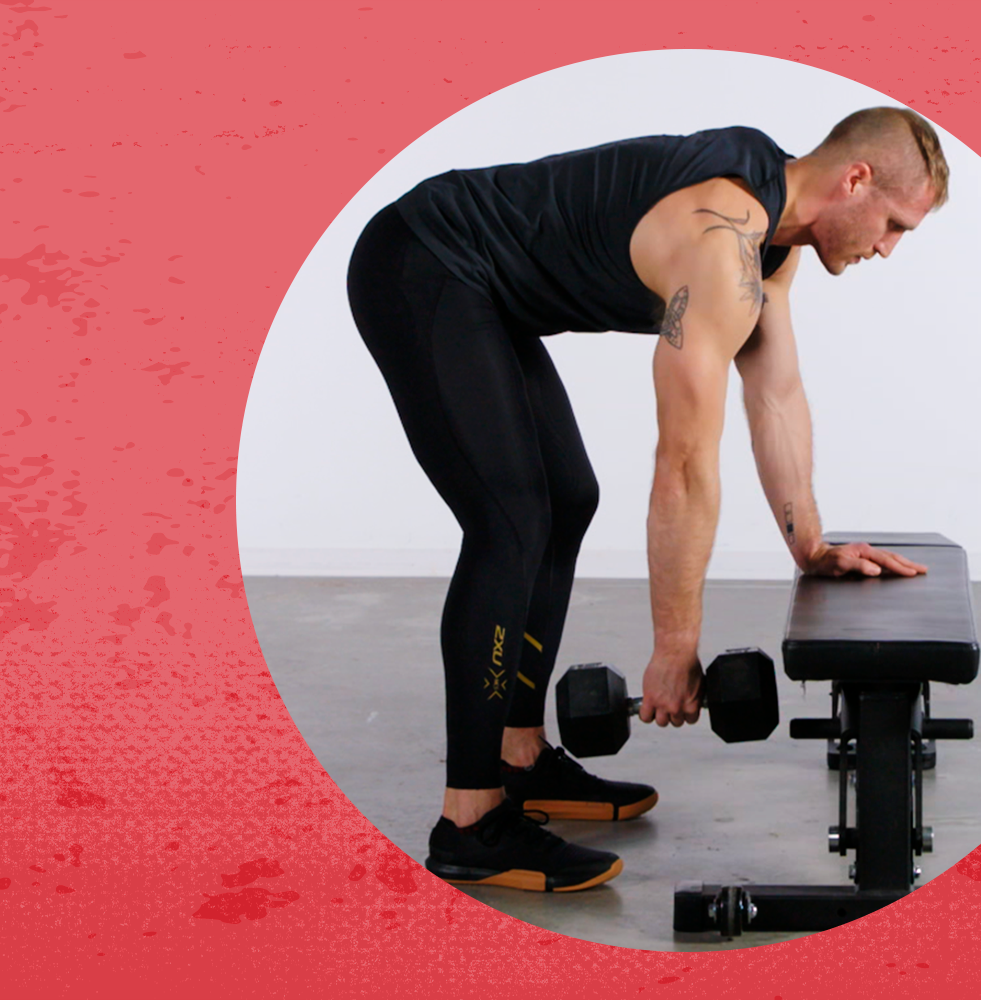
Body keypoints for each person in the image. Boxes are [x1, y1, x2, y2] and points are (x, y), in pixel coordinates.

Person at [345, 107, 947, 893]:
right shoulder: (719, 243)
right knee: (509, 522)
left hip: (485, 287)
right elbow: (685, 463)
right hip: (425, 259)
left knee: (567, 499)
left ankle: (519, 757)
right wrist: (674, 645)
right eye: (895, 224)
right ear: (855, 180)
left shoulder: (773, 242)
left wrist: (811, 546)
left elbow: (776, 395)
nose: (889, 248)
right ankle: (469, 822)